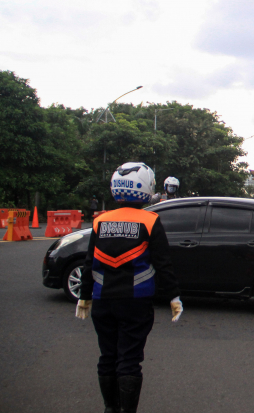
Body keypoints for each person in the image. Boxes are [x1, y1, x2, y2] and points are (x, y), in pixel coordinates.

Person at [75, 162, 183, 413]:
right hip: (136, 302)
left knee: (107, 357)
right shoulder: (150, 220)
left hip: (103, 301)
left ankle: (110, 408)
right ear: (146, 188)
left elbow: (89, 262)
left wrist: (84, 296)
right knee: (130, 359)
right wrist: (173, 296)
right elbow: (163, 264)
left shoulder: (100, 221)